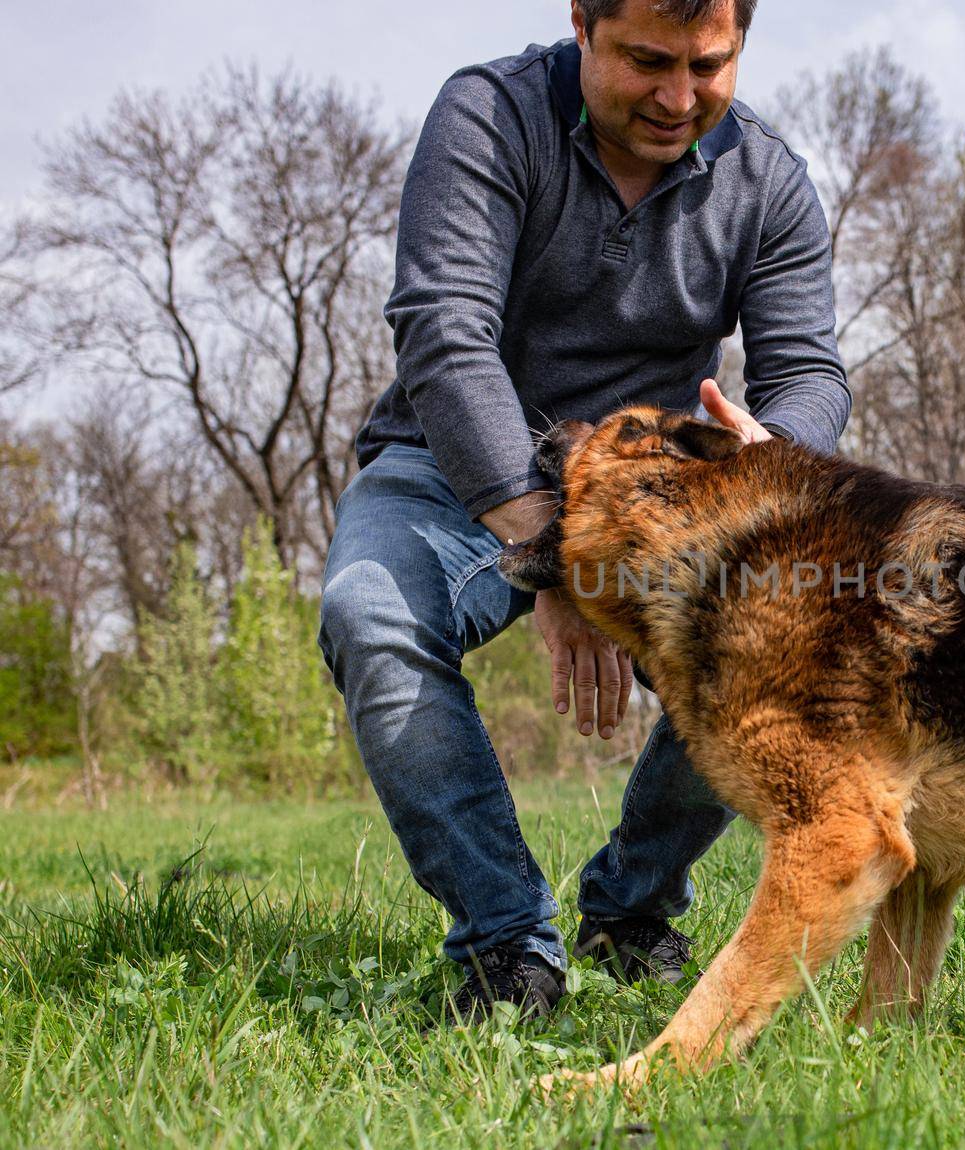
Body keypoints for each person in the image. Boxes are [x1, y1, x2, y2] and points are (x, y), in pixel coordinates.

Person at [317, 0, 849, 1021]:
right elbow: (443, 331)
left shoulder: (769, 179)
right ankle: (507, 945)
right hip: (453, 468)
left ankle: (632, 907)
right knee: (370, 616)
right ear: (582, 24)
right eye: (647, 62)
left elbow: (809, 371)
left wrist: (770, 456)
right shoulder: (488, 115)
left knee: (773, 642)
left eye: (707, 65)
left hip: (657, 487)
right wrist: (557, 553)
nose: (677, 98)